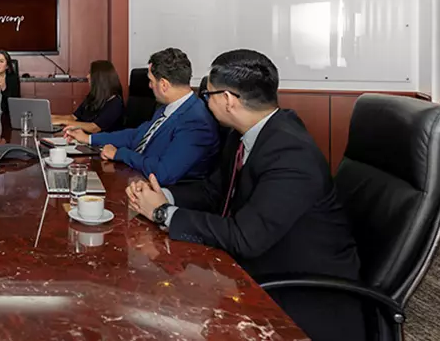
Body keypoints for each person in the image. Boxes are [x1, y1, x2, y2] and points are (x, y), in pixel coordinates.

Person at [125, 49, 363, 341]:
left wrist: (163, 213)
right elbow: (214, 192)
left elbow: (245, 237)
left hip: (302, 294)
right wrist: (164, 196)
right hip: (250, 270)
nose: (205, 101)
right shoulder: (245, 134)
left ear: (228, 100)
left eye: (207, 94)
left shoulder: (291, 154)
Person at [65, 48, 220, 185]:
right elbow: (136, 135)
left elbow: (163, 173)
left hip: (163, 192)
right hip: (138, 177)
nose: (149, 86)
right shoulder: (167, 108)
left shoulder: (196, 121)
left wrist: (120, 154)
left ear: (164, 85)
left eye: (151, 81)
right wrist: (88, 139)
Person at [52, 60, 125, 133]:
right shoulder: (93, 97)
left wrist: (63, 122)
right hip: (81, 137)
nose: (87, 76)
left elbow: (94, 127)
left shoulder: (115, 103)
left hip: (101, 142)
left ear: (100, 77)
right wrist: (50, 118)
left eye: (90, 73)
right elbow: (73, 117)